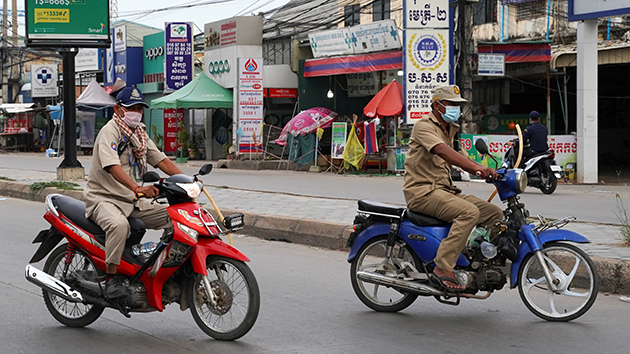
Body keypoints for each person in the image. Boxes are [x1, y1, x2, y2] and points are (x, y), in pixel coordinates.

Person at [84, 86, 183, 298]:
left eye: (139, 108)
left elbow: (161, 160)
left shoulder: (139, 134)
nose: (136, 113)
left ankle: (162, 267)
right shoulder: (110, 131)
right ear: (118, 109)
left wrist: (186, 182)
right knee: (119, 225)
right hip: (105, 199)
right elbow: (112, 166)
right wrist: (137, 188)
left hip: (132, 200)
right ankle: (110, 278)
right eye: (132, 108)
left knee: (177, 216)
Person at [402, 85, 503, 291]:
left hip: (444, 191)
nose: (456, 108)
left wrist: (493, 168)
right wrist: (476, 168)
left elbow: (459, 155)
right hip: (422, 192)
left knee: (494, 213)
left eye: (458, 104)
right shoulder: (424, 126)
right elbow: (443, 151)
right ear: (438, 105)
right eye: (452, 104)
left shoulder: (448, 128)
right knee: (469, 212)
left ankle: (480, 260)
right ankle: (443, 267)